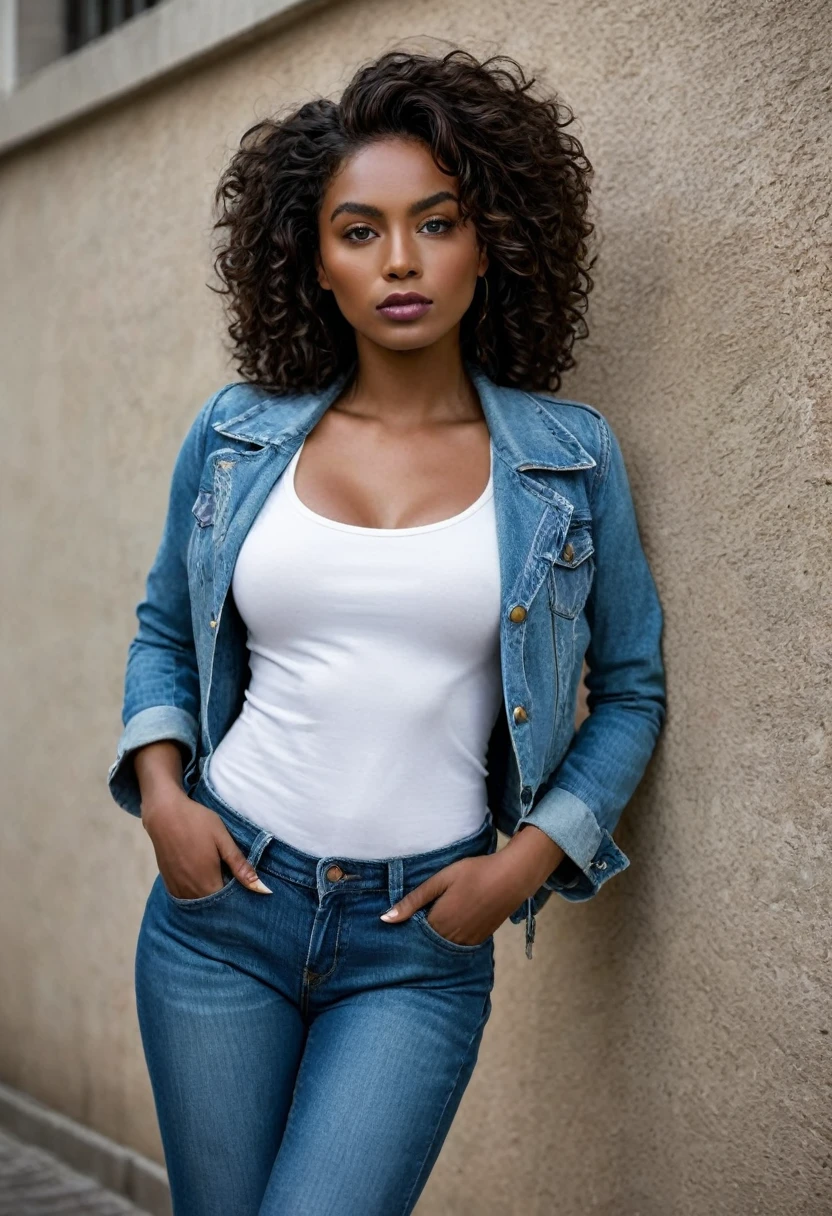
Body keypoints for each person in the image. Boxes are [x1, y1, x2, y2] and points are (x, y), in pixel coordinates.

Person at [107, 47, 666, 1216]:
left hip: (416, 944)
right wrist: (164, 795)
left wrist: (523, 864)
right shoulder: (238, 436)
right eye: (358, 230)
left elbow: (629, 692)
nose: (399, 261)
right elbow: (165, 626)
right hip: (222, 915)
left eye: (435, 221)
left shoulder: (568, 461)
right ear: (313, 260)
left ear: (491, 237)